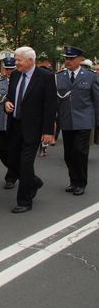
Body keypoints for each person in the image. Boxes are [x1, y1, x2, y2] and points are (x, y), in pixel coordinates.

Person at [4, 46, 57, 213]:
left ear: (30, 60)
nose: (16, 63)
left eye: (19, 60)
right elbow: (10, 96)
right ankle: (33, 182)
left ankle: (25, 200)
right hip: (15, 125)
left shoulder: (46, 77)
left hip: (33, 128)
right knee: (12, 160)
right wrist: (6, 103)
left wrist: (48, 131)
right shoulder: (15, 75)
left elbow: (50, 105)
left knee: (26, 164)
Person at [55, 46, 99, 196]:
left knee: (80, 152)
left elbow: (96, 100)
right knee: (69, 154)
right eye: (66, 58)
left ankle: (81, 182)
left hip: (84, 120)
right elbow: (56, 101)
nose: (68, 61)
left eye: (71, 59)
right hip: (66, 119)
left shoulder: (90, 76)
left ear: (80, 60)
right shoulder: (59, 76)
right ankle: (73, 181)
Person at [0, 57, 18, 189]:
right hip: (1, 122)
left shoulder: (20, 81)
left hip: (14, 122)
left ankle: (11, 176)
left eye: (11, 69)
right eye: (7, 69)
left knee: (13, 150)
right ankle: (16, 169)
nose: (9, 71)